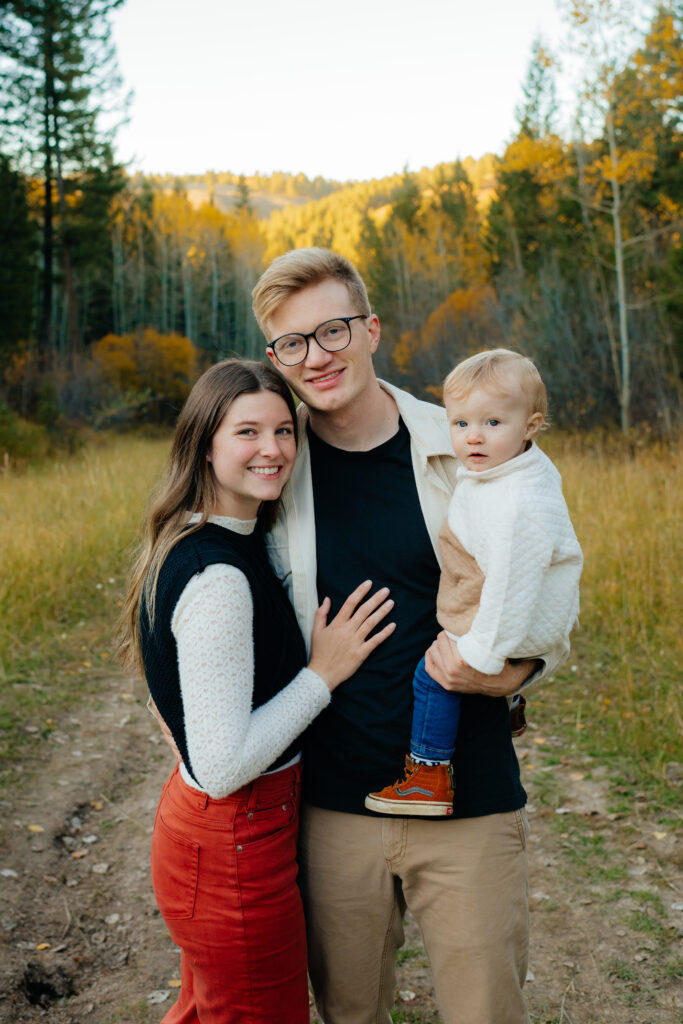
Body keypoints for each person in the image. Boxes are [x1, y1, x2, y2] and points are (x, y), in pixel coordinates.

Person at [252, 248, 570, 1024]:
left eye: (331, 331)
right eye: (290, 342)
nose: (314, 357)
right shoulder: (267, 461)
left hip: (469, 795)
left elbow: (549, 577)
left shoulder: (470, 442)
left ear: (370, 330)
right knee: (348, 1014)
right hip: (331, 805)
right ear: (274, 356)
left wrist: (517, 669)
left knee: (484, 1012)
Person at [117, 358, 395, 1024]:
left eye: (282, 430)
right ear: (204, 446)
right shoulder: (218, 576)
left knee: (210, 1011)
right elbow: (220, 767)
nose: (271, 450)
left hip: (224, 839)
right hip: (231, 845)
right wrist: (320, 676)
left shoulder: (220, 539)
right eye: (246, 432)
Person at [365, 348, 583, 817]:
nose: (473, 437)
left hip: (511, 615)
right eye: (461, 424)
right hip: (510, 610)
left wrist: (480, 658)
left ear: (531, 426)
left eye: (492, 423)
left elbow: (512, 585)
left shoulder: (518, 504)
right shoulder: (506, 470)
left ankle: (428, 773)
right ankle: (509, 707)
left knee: (436, 675)